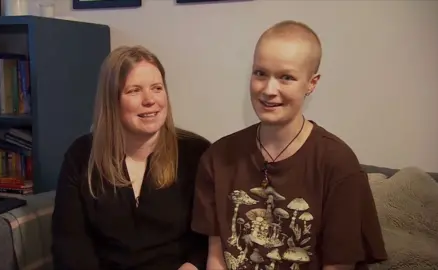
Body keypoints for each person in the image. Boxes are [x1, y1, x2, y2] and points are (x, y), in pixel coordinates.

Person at [191, 20, 388, 270]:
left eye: (286, 78)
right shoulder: (217, 157)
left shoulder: (338, 164)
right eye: (260, 73)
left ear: (312, 83)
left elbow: (339, 265)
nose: (269, 90)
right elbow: (216, 258)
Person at [52, 45, 210, 270]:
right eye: (134, 90)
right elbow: (70, 244)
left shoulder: (196, 153)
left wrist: (193, 265)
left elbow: (211, 236)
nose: (150, 100)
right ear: (112, 101)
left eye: (157, 88)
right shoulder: (81, 155)